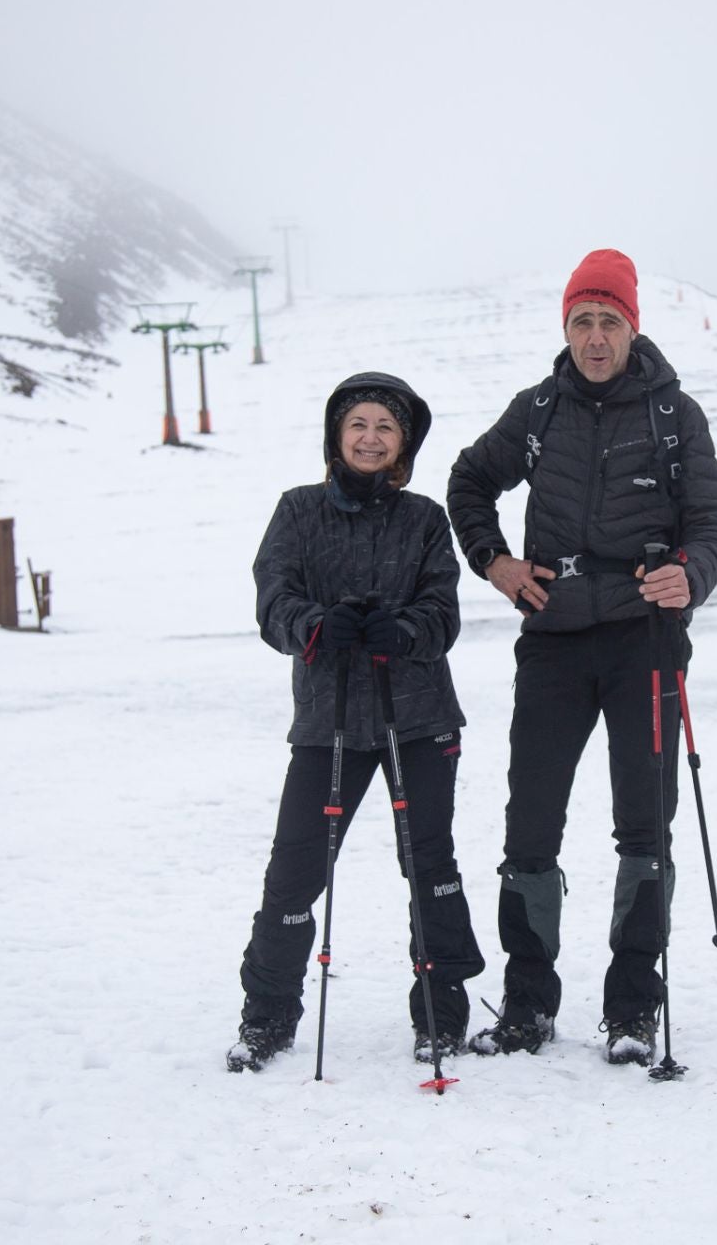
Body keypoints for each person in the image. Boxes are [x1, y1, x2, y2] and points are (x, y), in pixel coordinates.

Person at [447, 249, 717, 1065]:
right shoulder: (537, 410)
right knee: (530, 825)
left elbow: (712, 524)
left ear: (632, 326)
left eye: (610, 321)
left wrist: (691, 574)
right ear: (565, 328)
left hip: (645, 641)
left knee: (646, 828)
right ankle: (530, 1005)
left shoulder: (675, 416)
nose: (596, 337)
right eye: (583, 321)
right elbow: (468, 481)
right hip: (553, 644)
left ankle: (633, 1009)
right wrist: (497, 564)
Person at [228, 372, 485, 1072]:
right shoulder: (297, 511)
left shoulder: (425, 519)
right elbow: (271, 600)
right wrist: (317, 624)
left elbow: (444, 612)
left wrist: (403, 632)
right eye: (358, 425)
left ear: (403, 444)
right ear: (336, 436)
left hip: (419, 718)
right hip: (327, 721)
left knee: (429, 864)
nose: (370, 438)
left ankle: (441, 1014)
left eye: (385, 427)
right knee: (294, 872)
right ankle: (268, 1017)